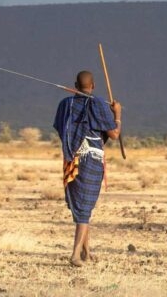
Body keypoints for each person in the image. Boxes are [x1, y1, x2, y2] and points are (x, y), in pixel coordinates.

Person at [53, 71, 122, 267]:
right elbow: (114, 134)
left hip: (71, 160)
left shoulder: (65, 105)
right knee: (84, 209)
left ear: (75, 84)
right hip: (90, 159)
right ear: (93, 85)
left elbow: (61, 129)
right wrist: (117, 113)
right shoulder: (97, 103)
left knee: (83, 207)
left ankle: (86, 252)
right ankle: (75, 255)